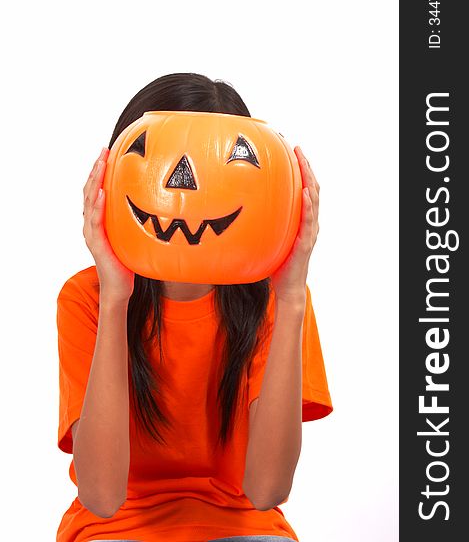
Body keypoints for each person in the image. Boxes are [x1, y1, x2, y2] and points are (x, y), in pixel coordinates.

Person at [56, 73, 333, 542]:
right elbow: (102, 497)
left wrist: (289, 297)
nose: (185, 186)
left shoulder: (277, 301)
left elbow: (268, 489)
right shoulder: (87, 298)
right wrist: (116, 295)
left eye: (223, 166)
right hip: (117, 529)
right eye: (151, 156)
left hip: (244, 526)